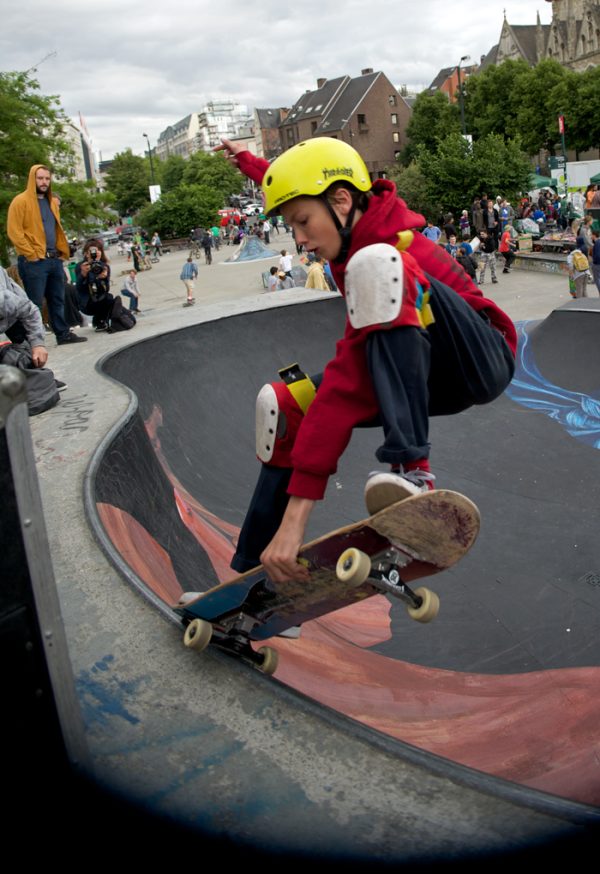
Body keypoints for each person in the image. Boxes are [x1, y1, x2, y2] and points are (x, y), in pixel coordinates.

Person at [211, 137, 515, 586]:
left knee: (376, 265)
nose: (299, 240)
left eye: (301, 224)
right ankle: (254, 576)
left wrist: (299, 514)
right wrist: (249, 163)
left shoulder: (381, 246)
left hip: (478, 355)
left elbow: (346, 381)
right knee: (285, 405)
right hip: (411, 367)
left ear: (342, 201)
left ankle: (413, 472)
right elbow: (306, 182)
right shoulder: (339, 215)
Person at [6, 164, 86, 346]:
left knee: (57, 298)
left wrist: (60, 252)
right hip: (34, 261)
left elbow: (56, 229)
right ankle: (27, 340)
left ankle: (62, 334)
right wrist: (31, 253)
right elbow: (14, 231)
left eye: (47, 179)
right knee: (33, 302)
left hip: (53, 259)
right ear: (32, 178)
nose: (44, 182)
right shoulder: (21, 201)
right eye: (40, 178)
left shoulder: (51, 202)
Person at [75, 239, 114, 331]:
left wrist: (102, 278)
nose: (95, 254)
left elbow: (106, 289)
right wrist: (83, 274)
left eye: (98, 251)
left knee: (109, 297)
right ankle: (98, 320)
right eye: (92, 251)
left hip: (99, 298)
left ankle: (101, 320)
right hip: (87, 302)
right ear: (86, 253)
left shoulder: (104, 266)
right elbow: (79, 288)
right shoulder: (82, 266)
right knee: (102, 299)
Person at [591, 229, 600, 295]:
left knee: (596, 279)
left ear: (594, 235)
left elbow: (597, 255)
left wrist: (594, 262)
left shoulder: (597, 243)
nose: (591, 236)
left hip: (597, 264)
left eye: (591, 235)